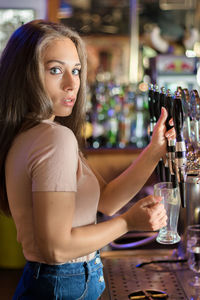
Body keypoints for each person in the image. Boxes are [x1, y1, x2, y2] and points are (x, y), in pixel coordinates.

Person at [0, 20, 174, 300]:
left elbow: (106, 200)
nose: (72, 84)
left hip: (51, 281)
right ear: (26, 75)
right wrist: (129, 222)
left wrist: (154, 150)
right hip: (64, 283)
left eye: (76, 71)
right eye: (55, 70)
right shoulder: (53, 138)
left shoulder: (32, 132)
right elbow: (55, 248)